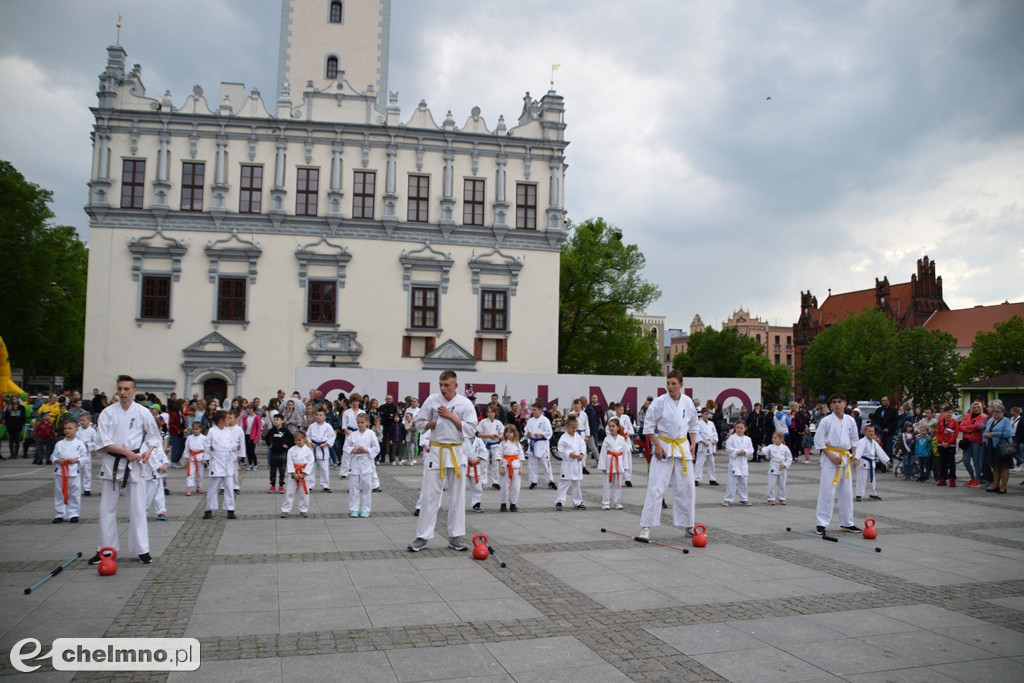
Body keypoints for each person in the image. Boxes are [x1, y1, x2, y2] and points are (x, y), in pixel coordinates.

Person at [89, 375, 163, 565]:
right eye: (120, 389)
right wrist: (125, 452)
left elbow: (154, 437)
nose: (122, 392)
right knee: (106, 508)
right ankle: (105, 549)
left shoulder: (143, 412)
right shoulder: (107, 412)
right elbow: (103, 442)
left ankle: (142, 549)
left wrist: (148, 451)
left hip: (135, 463)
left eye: (126, 389)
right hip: (113, 462)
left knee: (138, 508)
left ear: (134, 391)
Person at [407, 370, 478, 552]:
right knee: (429, 495)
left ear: (455, 385)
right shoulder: (432, 400)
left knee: (457, 497)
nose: (443, 388)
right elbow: (419, 423)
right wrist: (434, 422)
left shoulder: (465, 404)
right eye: (441, 384)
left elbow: (471, 430)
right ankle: (422, 536)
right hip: (437, 450)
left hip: (456, 451)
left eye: (447, 385)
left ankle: (456, 536)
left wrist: (451, 416)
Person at [639, 370, 699, 541]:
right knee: (656, 488)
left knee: (687, 489)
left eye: (673, 383)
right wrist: (657, 445)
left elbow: (693, 425)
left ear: (681, 385)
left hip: (682, 447)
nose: (670, 387)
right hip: (663, 448)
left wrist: (693, 443)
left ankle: (688, 525)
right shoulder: (659, 402)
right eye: (668, 383)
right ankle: (645, 527)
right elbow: (649, 427)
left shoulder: (688, 402)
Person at [813, 392, 861, 535]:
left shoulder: (850, 420)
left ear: (845, 404)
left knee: (846, 491)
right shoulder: (826, 421)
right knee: (827, 491)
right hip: (830, 457)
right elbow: (819, 441)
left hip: (844, 457)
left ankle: (847, 522)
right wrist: (830, 455)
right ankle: (821, 523)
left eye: (840, 401)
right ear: (830, 405)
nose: (837, 404)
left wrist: (853, 453)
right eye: (834, 402)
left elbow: (854, 438)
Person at [204, 410, 239, 519]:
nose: (229, 420)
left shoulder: (228, 432)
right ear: (221, 420)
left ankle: (230, 509)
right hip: (216, 461)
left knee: (229, 487)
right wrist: (209, 449)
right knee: (213, 487)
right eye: (227, 418)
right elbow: (206, 444)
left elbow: (232, 444)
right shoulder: (211, 431)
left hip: (227, 461)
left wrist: (235, 447)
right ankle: (209, 509)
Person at [344, 413, 380, 517]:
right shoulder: (353, 434)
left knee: (367, 487)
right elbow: (346, 447)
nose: (360, 425)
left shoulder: (371, 434)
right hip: (355, 463)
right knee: (354, 487)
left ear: (367, 423)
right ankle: (354, 508)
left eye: (362, 422)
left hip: (366, 463)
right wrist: (354, 450)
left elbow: (376, 448)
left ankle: (366, 509)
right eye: (358, 422)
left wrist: (366, 450)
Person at [51, 418, 85, 523]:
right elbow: (53, 456)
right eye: (65, 428)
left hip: (74, 472)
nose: (67, 430)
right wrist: (57, 460)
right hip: (61, 472)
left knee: (74, 493)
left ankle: (73, 513)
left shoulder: (80, 444)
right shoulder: (59, 444)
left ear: (76, 429)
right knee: (59, 492)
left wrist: (76, 460)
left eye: (70, 428)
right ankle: (60, 513)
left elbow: (84, 458)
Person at [554, 415, 587, 511]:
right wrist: (569, 454)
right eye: (572, 428)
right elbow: (560, 450)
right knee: (563, 483)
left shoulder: (578, 437)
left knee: (577, 484)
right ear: (567, 426)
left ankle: (578, 502)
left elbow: (583, 447)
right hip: (567, 463)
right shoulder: (563, 438)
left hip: (576, 463)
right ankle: (559, 501)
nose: (574, 430)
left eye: (576, 428)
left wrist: (581, 454)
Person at [982, 400, 1014, 494]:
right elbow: (985, 431)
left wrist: (996, 434)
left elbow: (1009, 433)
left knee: (1004, 467)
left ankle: (1003, 487)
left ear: (1002, 413)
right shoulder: (991, 420)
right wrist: (986, 435)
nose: (996, 413)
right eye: (994, 411)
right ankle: (996, 484)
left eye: (998, 412)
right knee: (995, 466)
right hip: (992, 446)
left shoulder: (1006, 421)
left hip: (1002, 447)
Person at [280, 430, 313, 518]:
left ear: (304, 439)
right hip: (294, 473)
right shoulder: (291, 450)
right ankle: (285, 510)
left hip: (303, 474)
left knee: (304, 493)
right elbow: (289, 462)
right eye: (296, 440)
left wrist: (304, 473)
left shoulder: (308, 451)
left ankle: (303, 510)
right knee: (289, 492)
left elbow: (310, 463)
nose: (297, 442)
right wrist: (293, 473)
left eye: (299, 440)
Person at [524, 400, 556, 490]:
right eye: (532, 410)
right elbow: (525, 431)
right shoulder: (530, 420)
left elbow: (549, 432)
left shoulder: (545, 420)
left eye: (534, 410)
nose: (533, 412)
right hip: (533, 444)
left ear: (540, 410)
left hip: (542, 444)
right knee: (532, 464)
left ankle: (550, 481)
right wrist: (528, 433)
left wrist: (541, 434)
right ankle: (533, 481)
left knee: (546, 464)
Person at [722, 420, 753, 506]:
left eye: (741, 428)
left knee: (743, 482)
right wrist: (738, 451)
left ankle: (744, 498)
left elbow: (751, 449)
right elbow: (728, 448)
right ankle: (728, 499)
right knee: (731, 482)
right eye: (737, 428)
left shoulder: (748, 439)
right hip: (734, 462)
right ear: (735, 428)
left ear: (745, 429)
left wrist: (745, 451)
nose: (739, 429)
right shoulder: (732, 438)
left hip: (743, 463)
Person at [598, 417, 627, 510]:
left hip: (618, 462)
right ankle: (605, 502)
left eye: (613, 426)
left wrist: (625, 465)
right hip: (609, 463)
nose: (611, 428)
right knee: (607, 484)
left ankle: (616, 502)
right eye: (609, 426)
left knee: (617, 484)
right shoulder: (607, 439)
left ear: (618, 427)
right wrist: (603, 466)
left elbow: (625, 453)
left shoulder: (622, 439)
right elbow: (603, 453)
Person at [854, 425, 888, 501]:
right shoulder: (862, 442)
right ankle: (859, 494)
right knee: (861, 479)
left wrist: (886, 460)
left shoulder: (874, 442)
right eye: (869, 431)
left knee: (872, 480)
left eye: (872, 431)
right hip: (863, 462)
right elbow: (858, 451)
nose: (871, 433)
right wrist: (856, 459)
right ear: (865, 432)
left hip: (871, 462)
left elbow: (879, 451)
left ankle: (873, 493)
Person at [306, 407, 336, 493]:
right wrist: (310, 443)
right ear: (315, 416)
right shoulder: (312, 426)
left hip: (323, 449)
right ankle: (310, 485)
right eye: (317, 415)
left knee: (324, 469)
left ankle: (325, 485)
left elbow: (332, 437)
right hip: (314, 449)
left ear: (324, 416)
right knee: (312, 469)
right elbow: (308, 436)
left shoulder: (328, 426)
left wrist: (326, 444)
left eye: (321, 415)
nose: (319, 417)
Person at [498, 423, 524, 512]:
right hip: (506, 466)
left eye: (511, 432)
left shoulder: (517, 444)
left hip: (515, 466)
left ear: (514, 433)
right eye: (507, 432)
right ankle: (503, 504)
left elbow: (521, 457)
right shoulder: (502, 444)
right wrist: (501, 468)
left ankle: (513, 504)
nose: (509, 434)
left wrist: (521, 468)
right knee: (504, 486)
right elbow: (499, 456)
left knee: (515, 486)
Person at [264, 413, 293, 494]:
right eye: (274, 420)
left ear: (282, 421)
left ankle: (281, 485)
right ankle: (272, 485)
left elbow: (291, 439)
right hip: (273, 453)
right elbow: (266, 438)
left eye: (277, 420)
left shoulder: (285, 430)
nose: (275, 421)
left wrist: (287, 445)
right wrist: (269, 444)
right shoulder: (272, 430)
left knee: (282, 470)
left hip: (282, 453)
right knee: (272, 471)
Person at [960, 402, 987, 487]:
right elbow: (960, 426)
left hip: (976, 441)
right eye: (974, 407)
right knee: (966, 461)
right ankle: (972, 477)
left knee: (977, 461)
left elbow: (977, 426)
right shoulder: (967, 416)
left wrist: (967, 427)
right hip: (967, 440)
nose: (976, 409)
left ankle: (977, 479)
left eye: (977, 407)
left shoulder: (983, 417)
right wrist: (969, 429)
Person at [477, 404, 504, 490]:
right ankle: (482, 481)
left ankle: (495, 482)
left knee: (495, 464)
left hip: (495, 445)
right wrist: (489, 435)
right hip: (485, 444)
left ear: (495, 413)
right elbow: (479, 434)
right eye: (488, 412)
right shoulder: (483, 422)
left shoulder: (498, 423)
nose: (490, 414)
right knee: (484, 464)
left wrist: (498, 436)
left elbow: (503, 434)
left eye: (492, 412)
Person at [143, 438, 170, 521]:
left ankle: (161, 510)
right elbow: (149, 456)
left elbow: (162, 454)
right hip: (150, 473)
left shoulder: (157, 442)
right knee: (148, 494)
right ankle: (143, 511)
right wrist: (158, 467)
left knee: (159, 493)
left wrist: (164, 464)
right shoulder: (144, 443)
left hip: (159, 474)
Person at [934, 404, 960, 487]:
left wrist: (949, 442)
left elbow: (956, 433)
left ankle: (952, 478)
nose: (949, 414)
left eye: (951, 412)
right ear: (944, 413)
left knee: (951, 462)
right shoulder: (941, 421)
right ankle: (943, 478)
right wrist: (942, 441)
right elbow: (938, 432)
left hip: (951, 445)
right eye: (947, 412)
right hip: (942, 444)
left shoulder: (954, 422)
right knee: (943, 462)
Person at [764, 431, 792, 505]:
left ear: (781, 439)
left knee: (782, 484)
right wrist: (761, 450)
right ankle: (771, 498)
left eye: (775, 438)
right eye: (773, 438)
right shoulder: (770, 446)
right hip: (773, 465)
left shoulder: (785, 448)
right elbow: (765, 451)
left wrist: (785, 464)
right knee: (771, 483)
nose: (773, 439)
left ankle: (782, 497)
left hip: (782, 467)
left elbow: (789, 458)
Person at [694, 407, 719, 486]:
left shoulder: (711, 423)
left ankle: (712, 479)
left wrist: (715, 440)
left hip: (710, 444)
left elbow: (715, 433)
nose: (707, 416)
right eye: (705, 414)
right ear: (702, 414)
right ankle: (696, 479)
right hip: (703, 444)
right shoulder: (698, 423)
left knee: (711, 462)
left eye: (708, 414)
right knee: (700, 462)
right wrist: (702, 441)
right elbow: (697, 434)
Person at [466, 433, 489, 513]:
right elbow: (458, 451)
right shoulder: (462, 439)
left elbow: (484, 452)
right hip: (464, 466)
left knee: (477, 486)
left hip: (475, 466)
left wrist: (478, 458)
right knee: (461, 486)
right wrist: (465, 458)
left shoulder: (479, 441)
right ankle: (458, 505)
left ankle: (476, 504)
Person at [184, 420, 208, 496]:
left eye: (197, 429)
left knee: (200, 474)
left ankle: (199, 487)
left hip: (200, 458)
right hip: (191, 457)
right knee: (190, 473)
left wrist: (205, 458)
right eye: (194, 429)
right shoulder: (189, 438)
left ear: (200, 429)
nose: (195, 430)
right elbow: (186, 448)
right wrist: (186, 457)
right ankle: (189, 488)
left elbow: (206, 449)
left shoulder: (204, 438)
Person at [76, 412, 97, 496]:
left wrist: (88, 444)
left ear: (89, 420)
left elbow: (95, 442)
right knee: (77, 471)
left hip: (87, 453)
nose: (81, 422)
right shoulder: (77, 430)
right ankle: (76, 488)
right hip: (77, 453)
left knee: (87, 472)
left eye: (83, 420)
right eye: (80, 420)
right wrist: (80, 443)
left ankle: (87, 488)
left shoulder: (92, 431)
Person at [615, 403, 635, 487]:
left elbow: (631, 430)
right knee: (618, 461)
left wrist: (627, 434)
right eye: (620, 409)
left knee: (628, 461)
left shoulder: (626, 418)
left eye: (622, 409)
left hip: (626, 442)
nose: (622, 411)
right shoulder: (613, 419)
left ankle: (628, 479)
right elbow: (608, 431)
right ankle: (617, 478)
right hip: (617, 442)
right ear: (615, 409)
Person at [240, 403, 262, 471]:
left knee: (252, 451)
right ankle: (250, 464)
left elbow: (258, 428)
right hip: (247, 434)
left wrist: (256, 437)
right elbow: (244, 425)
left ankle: (255, 464)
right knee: (248, 451)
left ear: (253, 409)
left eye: (249, 409)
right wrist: (243, 417)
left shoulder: (256, 417)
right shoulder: (246, 417)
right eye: (247, 409)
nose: (248, 410)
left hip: (253, 436)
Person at [3, 395, 27, 459]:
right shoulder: (8, 407)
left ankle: (16, 454)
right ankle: (12, 454)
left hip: (18, 426)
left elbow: (23, 417)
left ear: (17, 400)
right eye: (13, 399)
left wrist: (21, 424)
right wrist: (7, 425)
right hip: (10, 426)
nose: (14, 400)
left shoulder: (21, 408)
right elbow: (5, 417)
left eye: (15, 399)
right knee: (11, 441)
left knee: (17, 441)